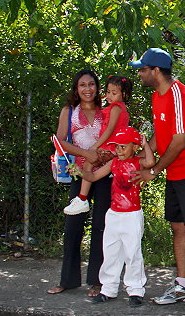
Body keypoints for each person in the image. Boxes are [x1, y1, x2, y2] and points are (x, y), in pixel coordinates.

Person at [129, 48, 185, 315]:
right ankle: (183, 286)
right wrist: (142, 158)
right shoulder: (156, 96)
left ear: (156, 71)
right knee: (178, 227)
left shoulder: (179, 95)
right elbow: (162, 136)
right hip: (176, 171)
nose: (139, 73)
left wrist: (154, 170)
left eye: (143, 69)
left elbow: (179, 141)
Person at [71, 126, 154, 307]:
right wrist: (79, 172)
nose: (119, 150)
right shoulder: (114, 163)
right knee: (111, 252)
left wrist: (145, 144)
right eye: (117, 146)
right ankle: (108, 288)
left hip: (132, 214)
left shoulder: (138, 162)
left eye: (123, 146)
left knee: (132, 253)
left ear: (135, 147)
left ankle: (135, 290)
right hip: (114, 214)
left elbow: (150, 161)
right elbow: (93, 176)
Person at [47, 69, 111, 297]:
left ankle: (98, 281)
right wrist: (87, 154)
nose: (87, 89)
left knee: (101, 227)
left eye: (91, 84)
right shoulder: (69, 111)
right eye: (82, 85)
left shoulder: (107, 110)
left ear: (97, 87)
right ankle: (68, 280)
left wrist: (102, 156)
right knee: (73, 227)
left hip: (104, 174)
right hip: (79, 174)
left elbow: (116, 139)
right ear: (76, 88)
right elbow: (59, 141)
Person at [63, 75, 132, 215]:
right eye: (108, 92)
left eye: (114, 93)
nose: (109, 96)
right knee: (90, 164)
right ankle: (83, 198)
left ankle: (82, 198)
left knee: (89, 162)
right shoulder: (113, 108)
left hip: (111, 146)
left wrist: (95, 146)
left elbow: (109, 130)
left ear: (124, 94)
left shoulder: (116, 108)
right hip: (112, 146)